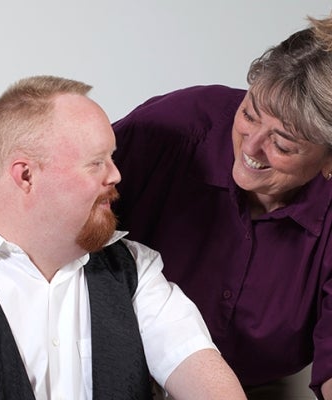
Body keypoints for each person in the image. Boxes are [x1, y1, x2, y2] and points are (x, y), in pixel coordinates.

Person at [0, 75, 247, 400]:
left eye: (111, 158)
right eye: (96, 163)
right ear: (26, 175)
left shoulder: (134, 269)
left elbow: (204, 376)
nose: (115, 174)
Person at [112, 12, 332, 400]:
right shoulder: (176, 129)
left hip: (259, 386)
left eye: (282, 144)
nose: (250, 147)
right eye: (248, 114)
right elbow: (57, 208)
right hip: (115, 368)